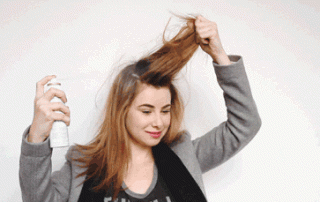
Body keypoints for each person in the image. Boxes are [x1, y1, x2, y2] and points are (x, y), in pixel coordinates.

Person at [19, 15, 261, 202]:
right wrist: (37, 138)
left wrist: (219, 55)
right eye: (146, 111)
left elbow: (245, 125)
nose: (158, 122)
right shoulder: (82, 165)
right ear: (121, 110)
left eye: (165, 110)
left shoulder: (185, 155)